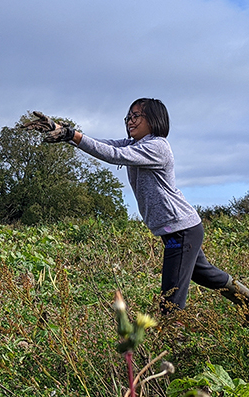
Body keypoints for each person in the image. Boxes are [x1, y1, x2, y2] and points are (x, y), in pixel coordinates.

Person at [22, 99, 249, 317]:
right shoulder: (135, 145)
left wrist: (72, 134)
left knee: (171, 296)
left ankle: (173, 344)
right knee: (205, 274)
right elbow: (104, 145)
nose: (130, 121)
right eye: (128, 117)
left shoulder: (157, 146)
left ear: (154, 119)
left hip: (181, 231)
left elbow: (113, 155)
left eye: (136, 116)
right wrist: (62, 131)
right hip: (178, 229)